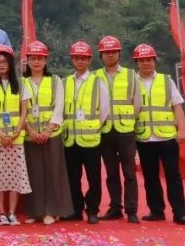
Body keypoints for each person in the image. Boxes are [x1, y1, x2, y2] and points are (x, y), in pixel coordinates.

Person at [133, 44, 185, 225]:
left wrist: (181, 130)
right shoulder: (132, 82)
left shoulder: (166, 81)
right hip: (144, 137)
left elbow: (177, 107)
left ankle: (180, 213)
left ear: (154, 61)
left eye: (149, 60)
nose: (146, 64)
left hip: (166, 137)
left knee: (173, 176)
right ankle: (156, 211)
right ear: (137, 63)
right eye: (142, 61)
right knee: (150, 178)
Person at [21, 40, 74, 224]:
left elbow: (59, 107)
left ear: (45, 61)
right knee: (33, 172)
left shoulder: (55, 81)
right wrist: (30, 129)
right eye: (32, 58)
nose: (36, 62)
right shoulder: (22, 83)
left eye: (40, 59)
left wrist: (48, 129)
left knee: (53, 172)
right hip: (30, 134)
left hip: (51, 134)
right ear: (27, 61)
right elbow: (21, 111)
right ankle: (36, 211)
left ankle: (52, 210)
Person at [95, 35, 141, 223]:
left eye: (113, 52)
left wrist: (127, 120)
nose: (110, 55)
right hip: (105, 131)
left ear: (119, 53)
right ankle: (115, 208)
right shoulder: (95, 76)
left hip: (125, 131)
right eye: (106, 52)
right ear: (101, 55)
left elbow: (137, 104)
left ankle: (131, 210)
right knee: (111, 172)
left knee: (129, 172)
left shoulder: (131, 75)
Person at [0, 45, 31, 226]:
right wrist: (1, 133)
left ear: (11, 63)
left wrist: (17, 131)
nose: (1, 65)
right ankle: (1, 213)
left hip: (15, 139)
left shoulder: (20, 84)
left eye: (4, 62)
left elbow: (24, 111)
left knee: (14, 178)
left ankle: (12, 213)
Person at [63, 41, 108, 224]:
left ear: (89, 60)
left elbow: (104, 110)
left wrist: (93, 126)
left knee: (94, 177)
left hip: (90, 139)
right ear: (72, 60)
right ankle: (76, 209)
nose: (80, 61)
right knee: (73, 178)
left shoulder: (98, 82)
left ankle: (92, 210)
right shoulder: (65, 82)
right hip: (70, 139)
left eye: (83, 58)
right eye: (76, 58)